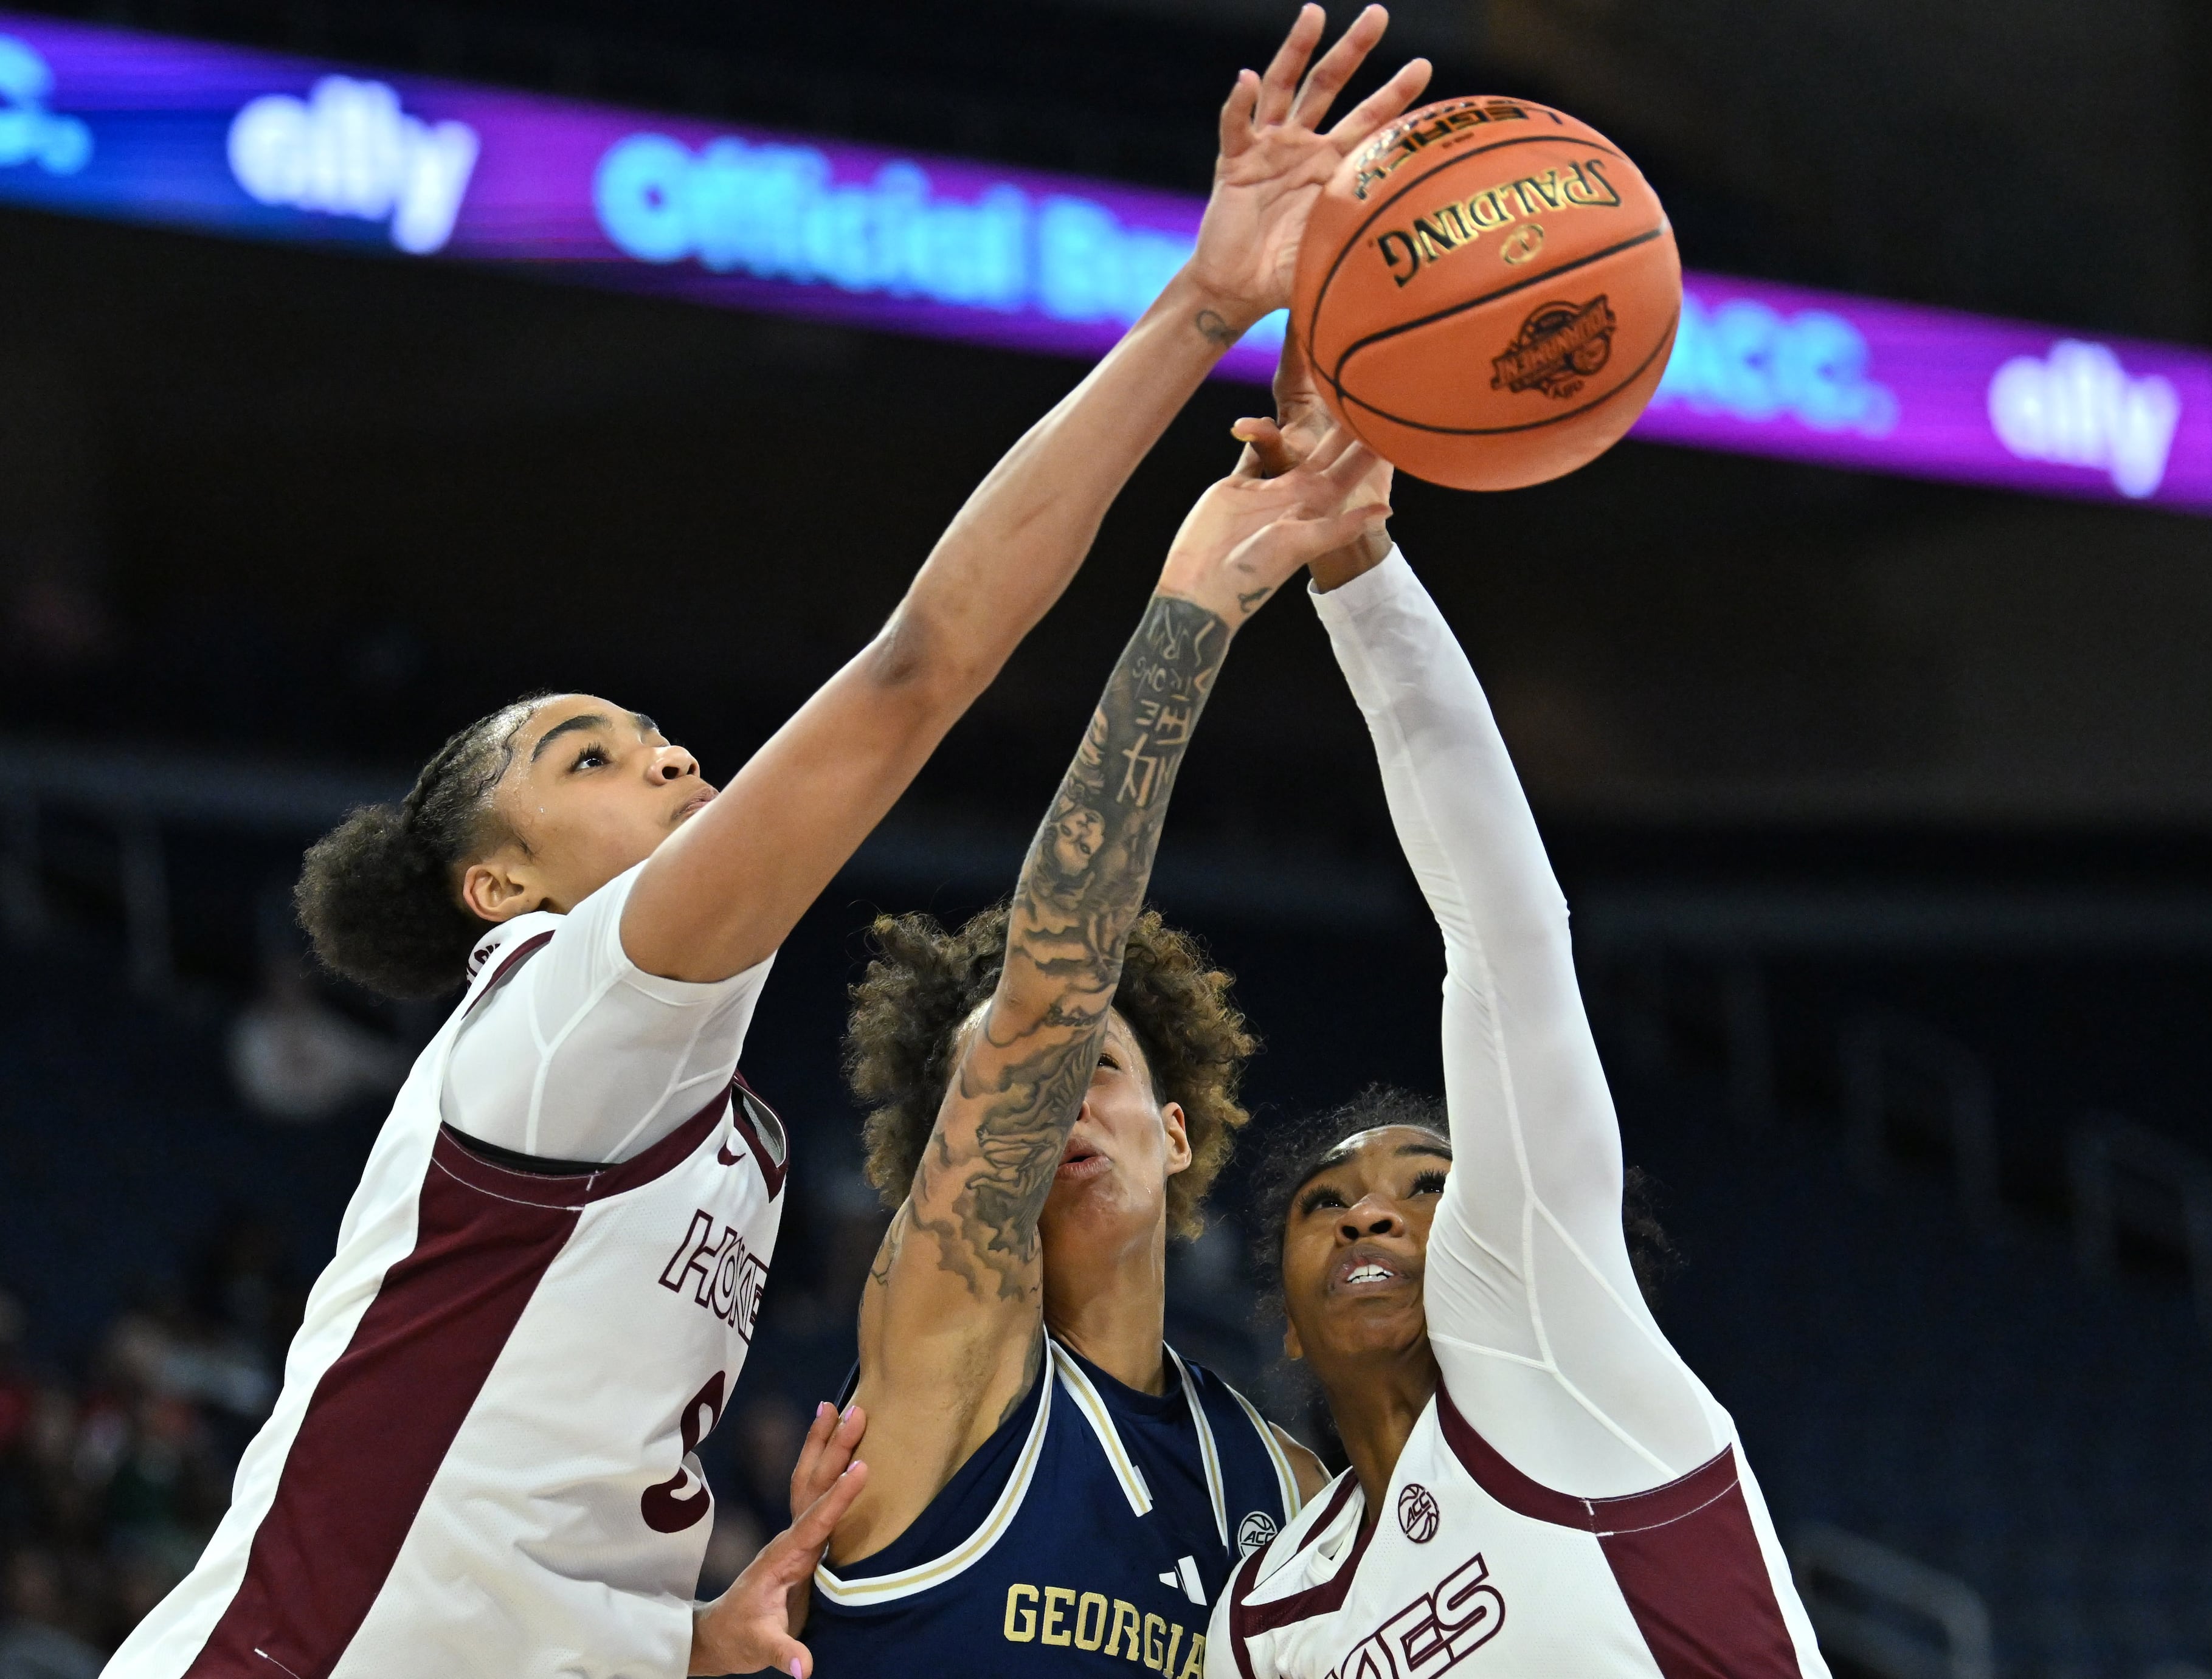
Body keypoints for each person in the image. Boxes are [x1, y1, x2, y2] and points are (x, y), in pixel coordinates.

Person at [97, 29, 1378, 1669]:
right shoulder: (566, 1001)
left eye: (654, 732)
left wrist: (678, 1633)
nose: (670, 754)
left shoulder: (700, 1104)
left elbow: (519, 1491)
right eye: (590, 755)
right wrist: (1200, 314)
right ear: (505, 889)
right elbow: (923, 665)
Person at [809, 278, 1400, 1679]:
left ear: (1177, 1127)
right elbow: (1049, 981)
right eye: (1011, 1086)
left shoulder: (1283, 1491)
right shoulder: (946, 1355)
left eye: (1102, 1073)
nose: (1053, 1094)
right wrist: (1198, 606)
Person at [1206, 358, 1831, 1679]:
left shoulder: (1551, 1337)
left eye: (1426, 1185)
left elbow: (1506, 936)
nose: (1370, 1212)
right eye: (1328, 1203)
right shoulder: (1261, 1617)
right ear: (1282, 1305)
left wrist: (1358, 569)